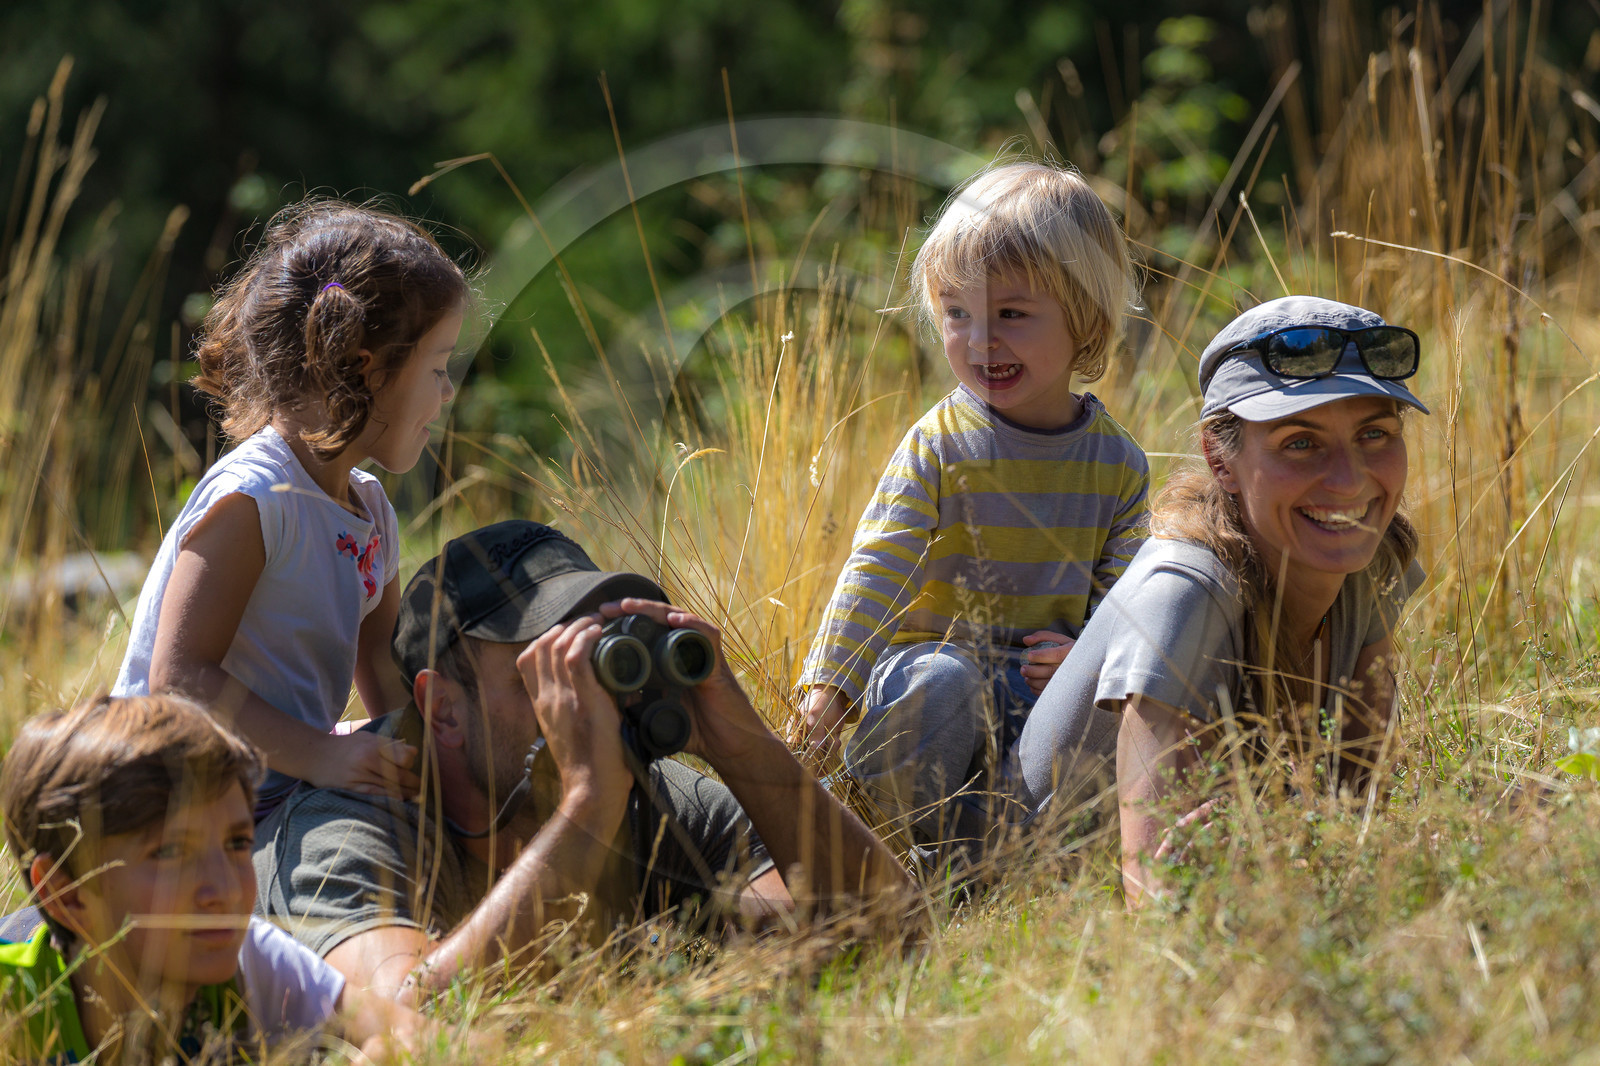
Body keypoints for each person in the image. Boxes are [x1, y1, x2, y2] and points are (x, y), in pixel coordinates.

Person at [252, 521, 913, 1003]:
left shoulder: (648, 792)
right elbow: (408, 1017)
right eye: (541, 676)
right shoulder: (349, 822)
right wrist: (588, 807)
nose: (584, 701)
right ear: (445, 711)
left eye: (592, 660)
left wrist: (747, 749)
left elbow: (891, 931)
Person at [1012, 295, 1429, 907]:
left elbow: (1365, 815)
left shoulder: (1371, 559)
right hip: (1035, 902)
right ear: (1219, 458)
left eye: (1375, 434)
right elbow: (1156, 900)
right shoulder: (1186, 591)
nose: (1348, 479)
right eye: (1300, 443)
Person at [796, 160, 1149, 854]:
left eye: (1011, 315)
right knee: (945, 683)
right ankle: (882, 831)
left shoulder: (1117, 463)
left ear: (1085, 318)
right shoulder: (940, 443)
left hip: (1033, 695)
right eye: (958, 313)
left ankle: (994, 850)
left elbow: (1123, 603)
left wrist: (1084, 659)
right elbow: (879, 565)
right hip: (927, 683)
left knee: (1109, 708)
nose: (981, 341)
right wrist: (828, 694)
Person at [113, 200, 470, 818]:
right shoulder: (256, 498)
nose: (448, 390)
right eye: (437, 368)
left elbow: (384, 677)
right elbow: (180, 678)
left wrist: (431, 754)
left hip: (278, 780)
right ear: (366, 368)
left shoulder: (370, 510)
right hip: (171, 798)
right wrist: (322, 756)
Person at [0, 694, 432, 1062]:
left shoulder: (248, 961)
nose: (223, 890)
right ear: (68, 893)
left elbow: (423, 1037)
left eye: (237, 843)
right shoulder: (14, 1012)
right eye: (170, 853)